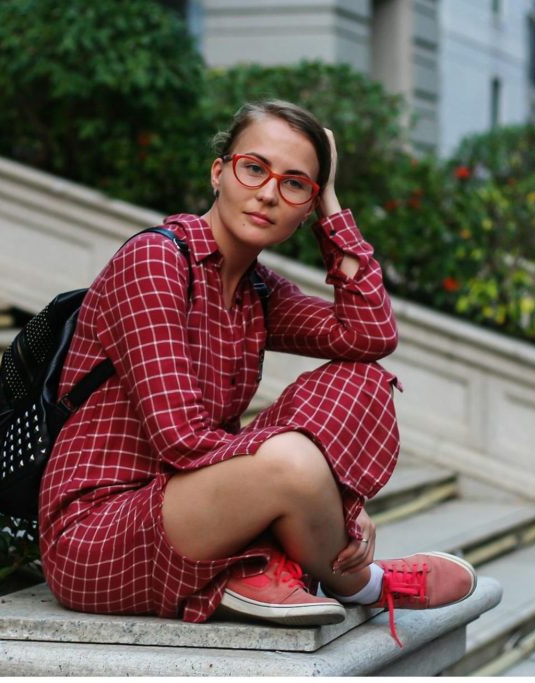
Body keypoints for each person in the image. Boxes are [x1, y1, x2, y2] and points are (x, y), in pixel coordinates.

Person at [38, 100, 476, 644]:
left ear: (304, 209)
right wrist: (322, 499)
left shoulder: (257, 292)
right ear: (219, 171)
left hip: (193, 500)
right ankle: (366, 582)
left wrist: (334, 207)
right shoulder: (155, 262)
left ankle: (265, 564)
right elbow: (181, 441)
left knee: (360, 379)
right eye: (254, 168)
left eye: (296, 185)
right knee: (292, 461)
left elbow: (369, 335)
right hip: (99, 533)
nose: (269, 193)